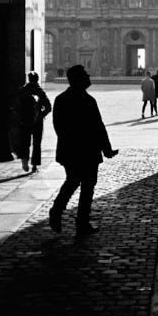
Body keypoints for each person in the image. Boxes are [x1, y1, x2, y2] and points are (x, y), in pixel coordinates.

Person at [48, 65, 118, 238]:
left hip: (72, 151)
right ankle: (77, 221)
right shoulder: (87, 100)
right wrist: (106, 149)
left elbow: (59, 127)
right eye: (86, 75)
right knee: (84, 186)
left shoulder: (62, 99)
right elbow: (98, 127)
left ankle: (67, 216)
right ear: (78, 79)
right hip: (85, 150)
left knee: (76, 183)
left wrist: (106, 149)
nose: (89, 77)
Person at [15, 71, 52, 171]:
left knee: (25, 142)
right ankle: (34, 165)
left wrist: (19, 117)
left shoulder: (22, 91)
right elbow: (48, 107)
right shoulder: (40, 91)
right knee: (37, 143)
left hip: (25, 120)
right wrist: (41, 115)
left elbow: (16, 107)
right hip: (38, 121)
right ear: (37, 79)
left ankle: (24, 162)